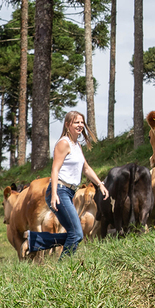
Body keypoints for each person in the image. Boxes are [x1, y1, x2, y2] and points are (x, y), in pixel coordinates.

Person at [25, 111, 108, 259]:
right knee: (76, 233)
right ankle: (64, 264)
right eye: (76, 122)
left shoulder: (77, 145)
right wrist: (55, 194)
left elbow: (86, 168)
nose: (80, 125)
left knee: (75, 234)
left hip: (69, 193)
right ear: (68, 124)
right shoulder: (63, 143)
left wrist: (100, 184)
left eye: (82, 122)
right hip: (60, 191)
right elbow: (55, 169)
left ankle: (35, 240)